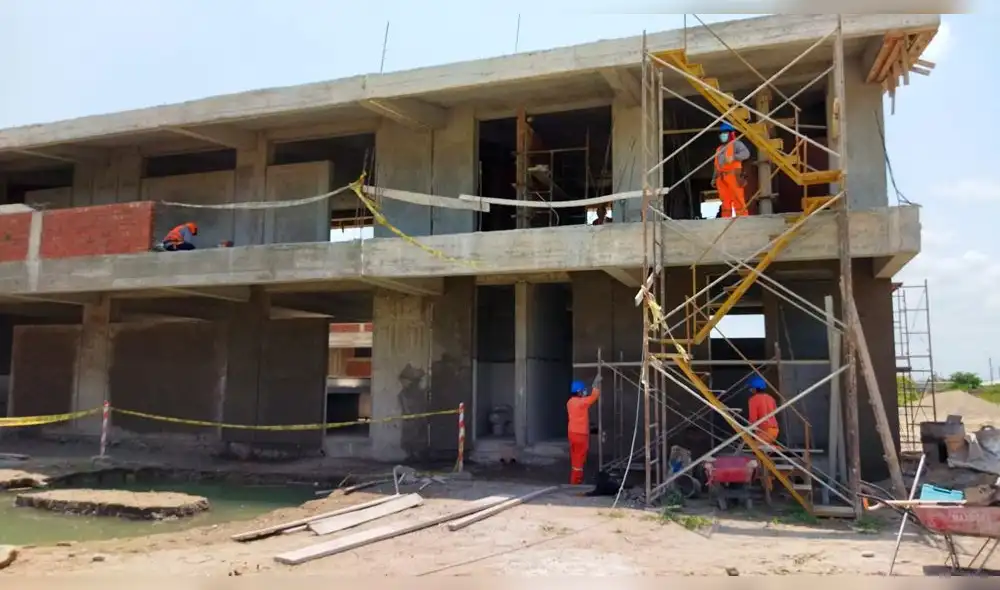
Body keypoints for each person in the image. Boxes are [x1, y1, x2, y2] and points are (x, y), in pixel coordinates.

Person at [567, 374, 602, 485]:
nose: (584, 392)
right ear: (579, 391)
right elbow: (593, 397)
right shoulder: (581, 402)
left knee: (575, 457)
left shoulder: (570, 402)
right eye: (583, 391)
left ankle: (575, 479)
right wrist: (596, 385)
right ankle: (576, 481)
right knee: (579, 458)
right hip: (580, 434)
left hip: (572, 432)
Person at [711, 122, 751, 218]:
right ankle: (726, 219)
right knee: (725, 201)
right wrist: (714, 178)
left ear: (731, 134)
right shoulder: (719, 149)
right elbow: (716, 166)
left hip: (733, 176)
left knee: (738, 199)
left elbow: (746, 153)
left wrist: (734, 157)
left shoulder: (736, 144)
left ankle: (743, 220)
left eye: (725, 133)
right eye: (721, 133)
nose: (722, 135)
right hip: (721, 178)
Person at [747, 375, 780, 444]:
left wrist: (748, 429)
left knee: (756, 449)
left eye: (751, 388)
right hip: (775, 430)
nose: (750, 390)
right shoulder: (770, 398)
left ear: (755, 388)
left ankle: (783, 452)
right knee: (765, 449)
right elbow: (774, 411)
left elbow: (753, 418)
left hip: (764, 430)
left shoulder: (753, 399)